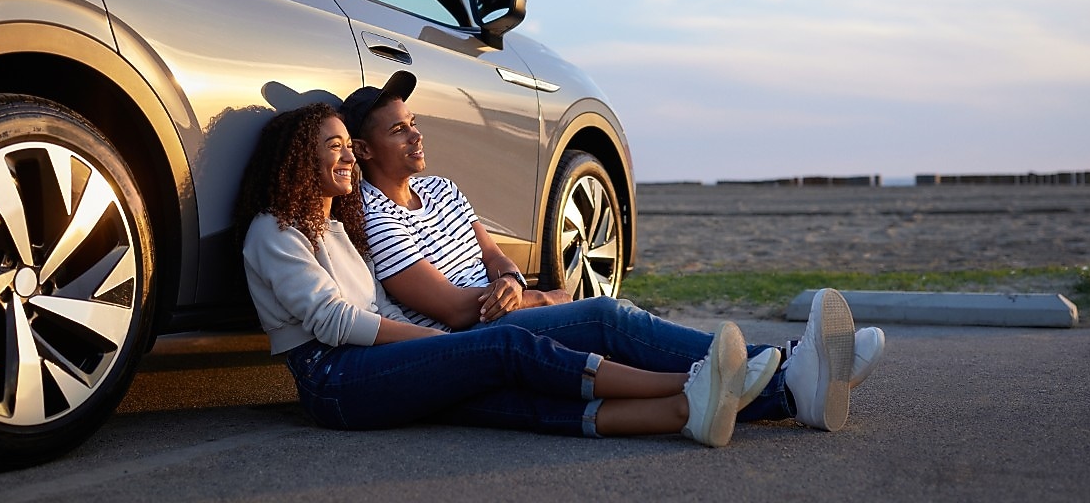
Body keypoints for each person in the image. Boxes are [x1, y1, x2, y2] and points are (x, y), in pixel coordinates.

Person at [340, 71, 887, 433]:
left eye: (413, 124)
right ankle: (794, 368)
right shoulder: (374, 216)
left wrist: (513, 282)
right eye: (397, 132)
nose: (416, 137)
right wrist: (538, 299)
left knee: (614, 328)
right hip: (468, 343)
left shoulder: (442, 189)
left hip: (503, 314)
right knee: (604, 316)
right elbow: (455, 311)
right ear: (363, 150)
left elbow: (492, 255)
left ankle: (792, 386)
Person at [234, 102, 784, 447]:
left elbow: (379, 305)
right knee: (504, 349)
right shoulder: (274, 232)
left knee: (506, 398)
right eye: (335, 148)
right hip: (333, 380)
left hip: (368, 365)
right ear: (296, 160)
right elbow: (334, 322)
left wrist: (462, 330)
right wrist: (435, 344)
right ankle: (695, 382)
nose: (349, 159)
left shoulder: (336, 228)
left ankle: (687, 412)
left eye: (348, 149)